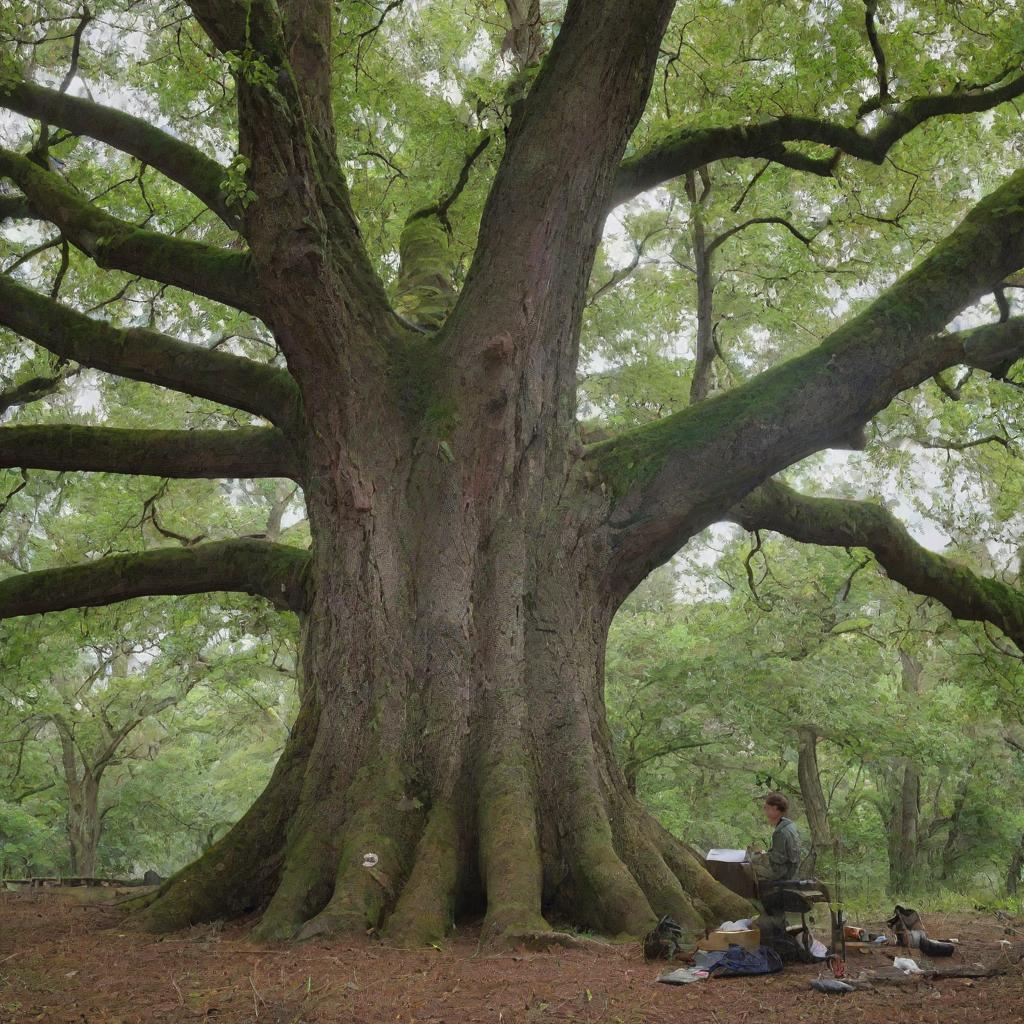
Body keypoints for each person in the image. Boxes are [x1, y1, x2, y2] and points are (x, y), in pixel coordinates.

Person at [751, 792, 801, 883]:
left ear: (775, 809)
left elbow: (779, 858)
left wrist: (761, 856)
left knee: (750, 866)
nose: (765, 812)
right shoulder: (790, 825)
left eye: (767, 809)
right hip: (793, 868)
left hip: (785, 872)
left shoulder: (780, 832)